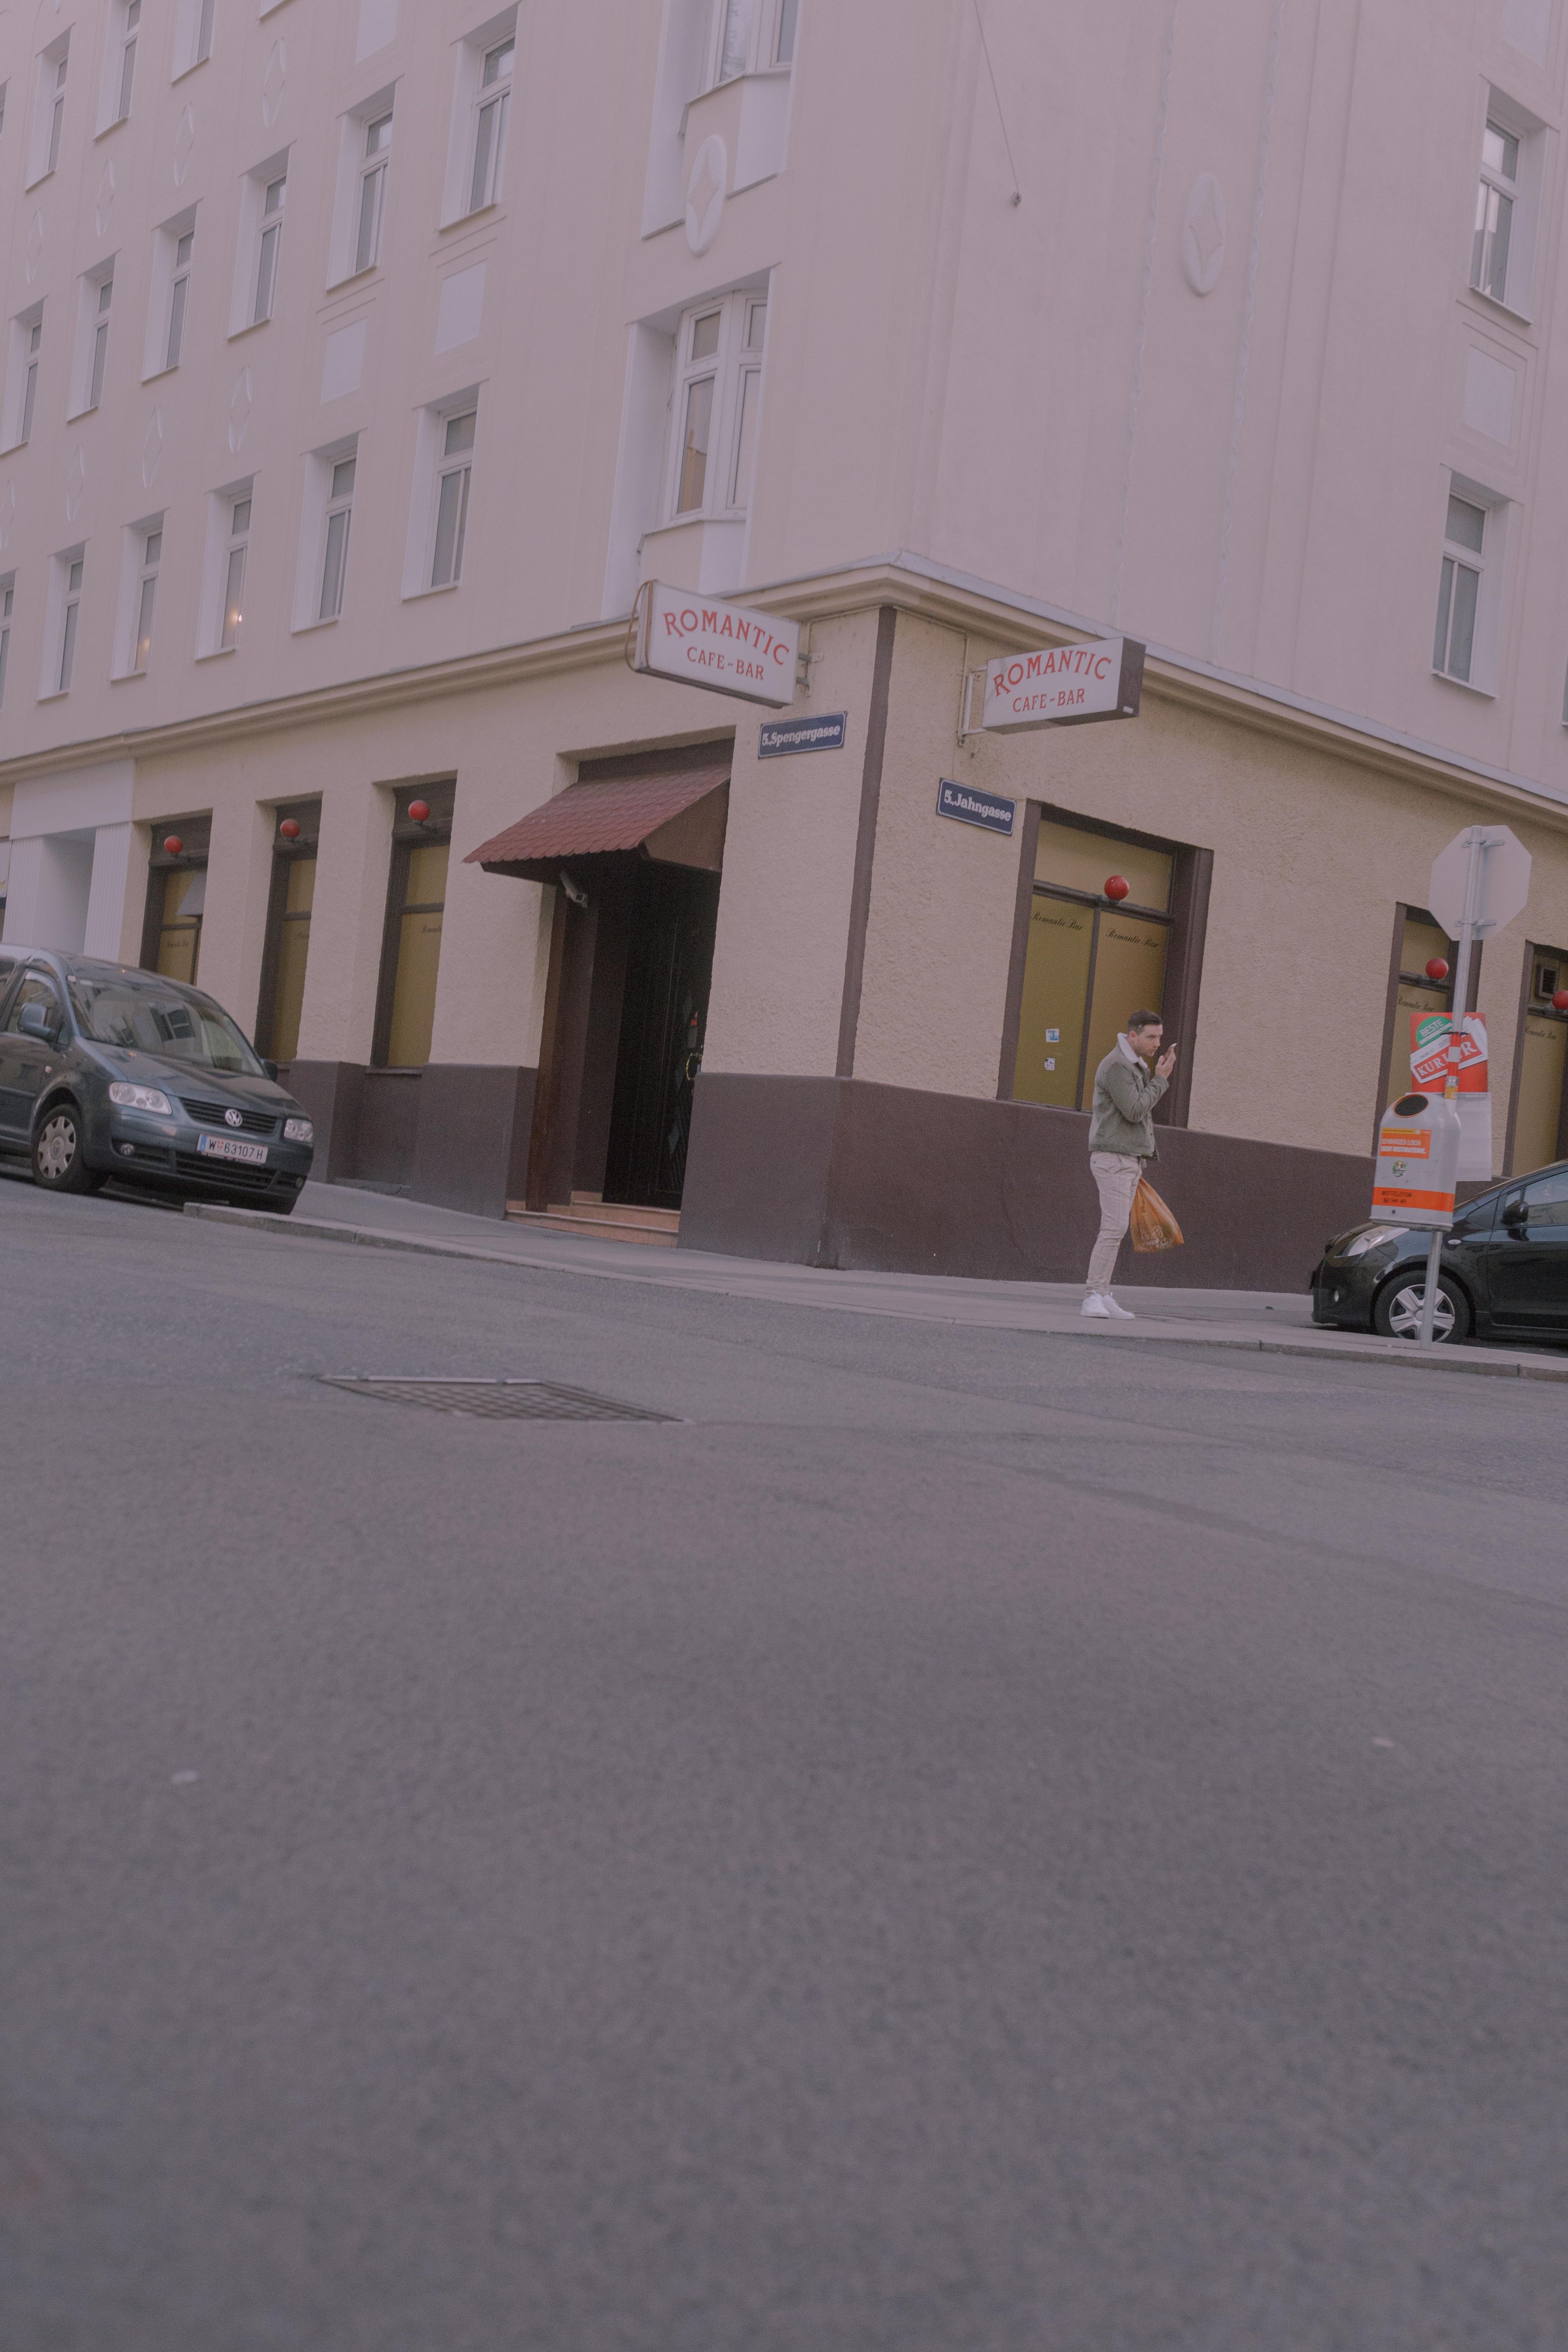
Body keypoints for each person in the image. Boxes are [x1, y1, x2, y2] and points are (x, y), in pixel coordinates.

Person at [1081, 1010, 1178, 1320]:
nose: (1157, 1044)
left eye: (1160, 1037)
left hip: (1127, 1159)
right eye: (1151, 1037)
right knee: (1114, 1228)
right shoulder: (1117, 1066)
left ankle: (1103, 1293)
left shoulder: (1133, 1065)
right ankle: (1093, 1296)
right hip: (1113, 1158)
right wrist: (1161, 1080)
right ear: (1132, 1036)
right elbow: (1135, 1111)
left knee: (1117, 1228)